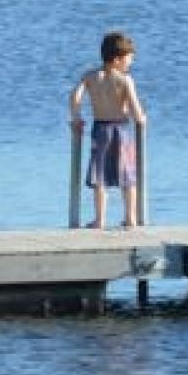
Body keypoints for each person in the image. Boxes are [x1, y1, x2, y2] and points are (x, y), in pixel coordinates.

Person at [69, 31, 146, 228]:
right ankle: (130, 217)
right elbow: (136, 110)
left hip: (100, 129)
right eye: (129, 59)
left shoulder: (91, 77)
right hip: (121, 129)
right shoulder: (125, 80)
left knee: (100, 175)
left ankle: (100, 219)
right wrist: (141, 118)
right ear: (117, 59)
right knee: (127, 176)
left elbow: (75, 96)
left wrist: (77, 116)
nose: (131, 63)